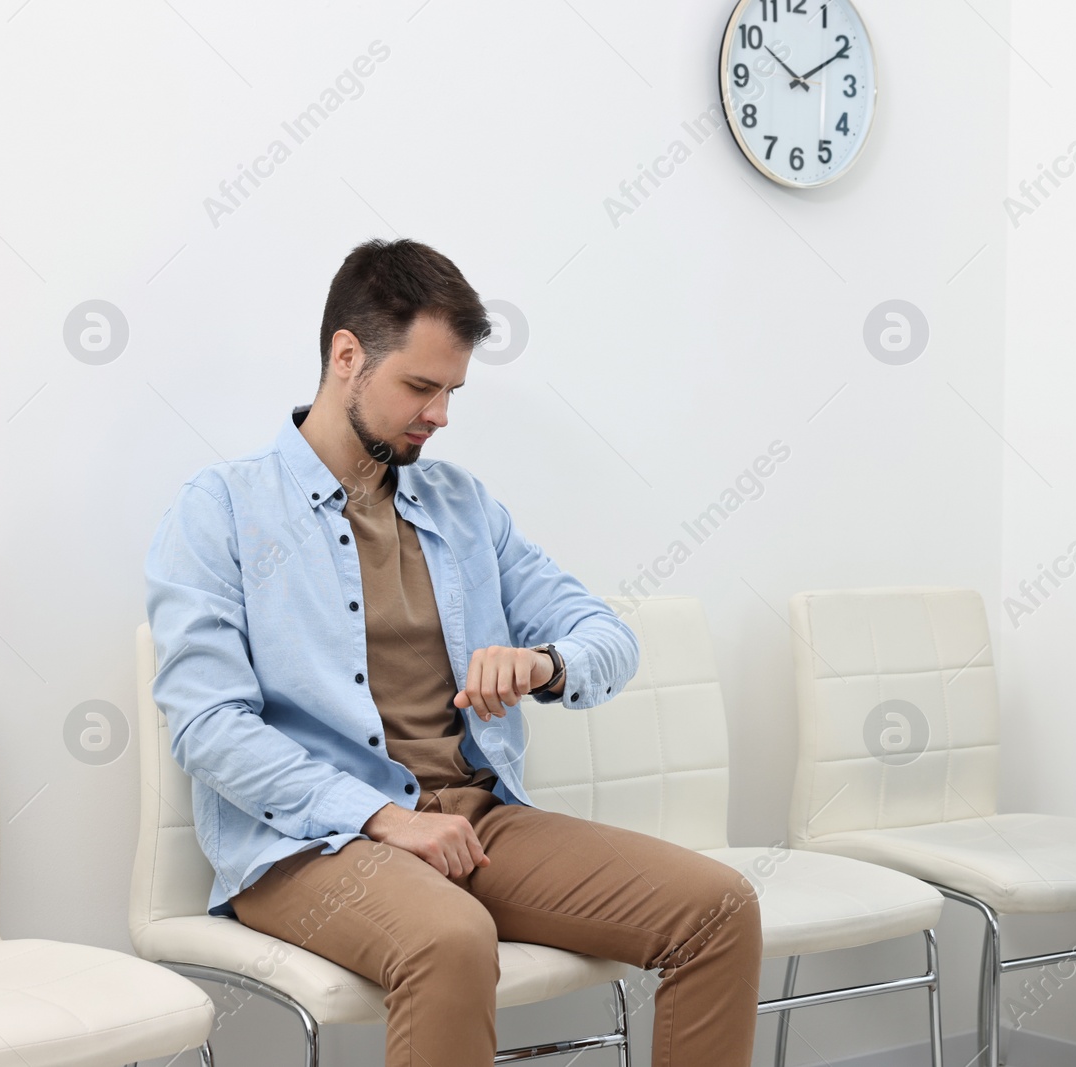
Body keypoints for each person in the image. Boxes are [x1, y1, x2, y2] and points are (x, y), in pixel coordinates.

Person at [143, 237, 762, 1067]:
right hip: (308, 846)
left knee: (718, 908)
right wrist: (383, 817)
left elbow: (609, 637)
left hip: (473, 819)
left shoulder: (463, 505)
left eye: (452, 391)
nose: (440, 415)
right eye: (421, 387)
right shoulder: (223, 508)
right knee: (451, 938)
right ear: (346, 358)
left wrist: (544, 662)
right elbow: (209, 726)